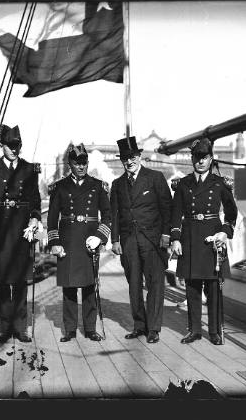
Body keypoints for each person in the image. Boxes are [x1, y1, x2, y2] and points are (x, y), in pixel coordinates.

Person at [0, 124, 41, 344]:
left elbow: (35, 201)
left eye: (18, 145)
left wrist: (34, 218)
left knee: (22, 279)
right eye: (10, 145)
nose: (14, 149)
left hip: (23, 229)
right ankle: (4, 329)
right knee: (2, 279)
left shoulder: (29, 169)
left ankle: (21, 328)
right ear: (1, 145)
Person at [170, 138, 238, 345]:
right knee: (192, 287)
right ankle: (195, 330)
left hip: (212, 239)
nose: (200, 162)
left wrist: (225, 232)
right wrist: (175, 239)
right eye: (197, 158)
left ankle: (215, 331)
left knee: (214, 287)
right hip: (190, 238)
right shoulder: (183, 184)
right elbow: (175, 214)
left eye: (204, 158)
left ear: (210, 159)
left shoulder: (220, 184)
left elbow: (231, 213)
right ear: (192, 159)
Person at [110, 136, 172, 344]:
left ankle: (153, 328)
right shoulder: (117, 184)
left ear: (139, 156)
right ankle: (139, 325)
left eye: (133, 157)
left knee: (155, 283)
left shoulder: (155, 178)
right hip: (128, 242)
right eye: (125, 158)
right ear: (122, 161)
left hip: (152, 240)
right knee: (133, 284)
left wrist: (166, 235)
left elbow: (167, 209)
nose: (129, 161)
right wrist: (115, 240)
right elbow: (115, 214)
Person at [47, 144, 111, 342]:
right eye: (77, 163)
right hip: (67, 240)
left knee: (90, 284)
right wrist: (55, 243)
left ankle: (90, 328)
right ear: (70, 164)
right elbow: (51, 218)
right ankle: (70, 329)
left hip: (89, 240)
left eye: (84, 163)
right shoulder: (59, 187)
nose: (81, 167)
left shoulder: (98, 186)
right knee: (69, 286)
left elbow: (108, 215)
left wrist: (100, 237)